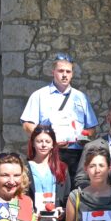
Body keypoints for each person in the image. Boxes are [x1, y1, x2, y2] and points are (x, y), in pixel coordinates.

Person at [20, 53, 99, 184]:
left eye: (68, 71)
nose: (64, 75)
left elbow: (91, 128)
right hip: (49, 154)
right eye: (60, 71)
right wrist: (47, 139)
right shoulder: (39, 95)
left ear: (72, 74)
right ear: (53, 72)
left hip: (76, 155)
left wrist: (83, 138)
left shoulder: (81, 98)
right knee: (50, 189)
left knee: (73, 193)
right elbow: (27, 125)